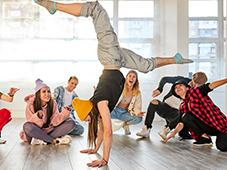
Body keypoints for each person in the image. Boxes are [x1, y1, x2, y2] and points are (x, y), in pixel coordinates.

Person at [35, 0, 193, 167]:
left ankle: (54, 6)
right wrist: (95, 149)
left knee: (95, 7)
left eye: (87, 118)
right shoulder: (102, 108)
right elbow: (104, 130)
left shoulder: (101, 102)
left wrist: (105, 159)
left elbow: (109, 132)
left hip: (109, 56)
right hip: (117, 58)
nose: (88, 120)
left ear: (91, 110)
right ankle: (175, 59)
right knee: (145, 66)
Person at [136, 72, 207, 140]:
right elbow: (165, 79)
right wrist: (159, 89)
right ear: (192, 79)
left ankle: (166, 130)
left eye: (199, 85)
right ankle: (146, 129)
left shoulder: (198, 92)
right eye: (195, 82)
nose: (196, 86)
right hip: (165, 107)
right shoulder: (182, 80)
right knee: (153, 102)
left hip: (177, 115)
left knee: (185, 115)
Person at [165, 77, 227, 151]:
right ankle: (205, 138)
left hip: (220, 126)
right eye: (176, 87)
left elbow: (210, 86)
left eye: (180, 85)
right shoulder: (182, 106)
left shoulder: (196, 91)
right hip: (208, 128)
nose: (178, 87)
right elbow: (181, 123)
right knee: (185, 117)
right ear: (176, 93)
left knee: (222, 147)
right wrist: (174, 133)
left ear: (187, 88)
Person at [19, 79, 76, 145]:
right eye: (44, 92)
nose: (47, 94)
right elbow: (30, 122)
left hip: (49, 131)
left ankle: (43, 140)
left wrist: (64, 113)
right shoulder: (31, 104)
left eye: (48, 91)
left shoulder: (53, 103)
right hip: (35, 133)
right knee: (27, 126)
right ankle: (53, 140)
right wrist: (38, 118)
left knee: (71, 123)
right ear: (38, 94)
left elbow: (54, 121)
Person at [110, 70, 145, 135]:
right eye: (130, 76)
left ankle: (125, 125)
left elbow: (136, 106)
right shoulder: (119, 87)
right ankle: (100, 127)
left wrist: (138, 113)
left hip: (125, 113)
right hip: (114, 111)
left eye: (134, 77)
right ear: (126, 78)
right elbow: (109, 94)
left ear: (136, 80)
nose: (131, 78)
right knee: (100, 113)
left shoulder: (137, 93)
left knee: (139, 119)